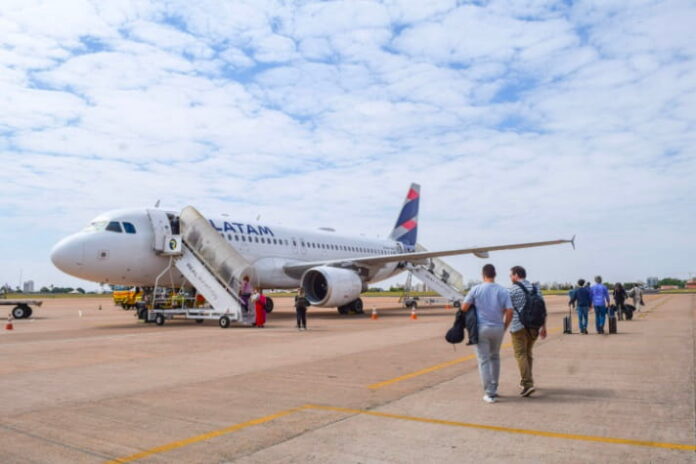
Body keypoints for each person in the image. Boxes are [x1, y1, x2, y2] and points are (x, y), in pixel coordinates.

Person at [461, 264, 513, 404]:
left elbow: (464, 307)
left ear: (483, 275)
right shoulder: (503, 290)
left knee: (483, 360)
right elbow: (510, 311)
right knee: (495, 357)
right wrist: (504, 326)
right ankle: (494, 387)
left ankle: (489, 393)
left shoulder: (476, 289)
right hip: (498, 328)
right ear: (495, 274)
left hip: (481, 328)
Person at [508, 266, 547, 397]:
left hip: (517, 327)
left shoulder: (512, 289)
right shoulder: (535, 288)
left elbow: (507, 308)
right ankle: (526, 380)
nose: (510, 277)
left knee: (520, 354)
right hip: (534, 327)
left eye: (511, 275)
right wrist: (543, 327)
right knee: (528, 353)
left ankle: (527, 384)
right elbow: (542, 309)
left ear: (516, 275)